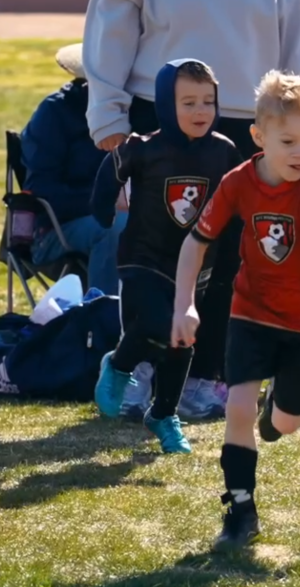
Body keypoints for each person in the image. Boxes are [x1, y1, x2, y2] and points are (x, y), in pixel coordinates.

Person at [84, 0, 300, 417]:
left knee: (231, 261)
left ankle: (204, 377)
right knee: (152, 249)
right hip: (160, 108)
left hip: (252, 121)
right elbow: (111, 22)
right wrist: (108, 114)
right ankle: (136, 367)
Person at [171, 71, 300, 550]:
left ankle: (279, 411)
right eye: (289, 141)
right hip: (252, 311)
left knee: (284, 423)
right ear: (259, 137)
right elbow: (195, 243)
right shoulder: (239, 182)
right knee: (237, 406)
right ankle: (240, 510)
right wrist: (185, 307)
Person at [90, 59, 242, 453]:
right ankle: (119, 365)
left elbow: (238, 199)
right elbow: (111, 171)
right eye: (188, 102)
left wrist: (238, 245)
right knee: (158, 320)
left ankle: (163, 413)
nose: (200, 111)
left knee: (182, 338)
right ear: (164, 104)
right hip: (144, 257)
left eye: (208, 101)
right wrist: (102, 209)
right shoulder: (144, 147)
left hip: (196, 266)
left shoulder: (224, 151)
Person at [21, 43, 123, 295]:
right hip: (57, 229)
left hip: (129, 217)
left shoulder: (140, 112)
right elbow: (40, 188)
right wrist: (108, 201)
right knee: (115, 226)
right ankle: (103, 322)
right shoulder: (55, 113)